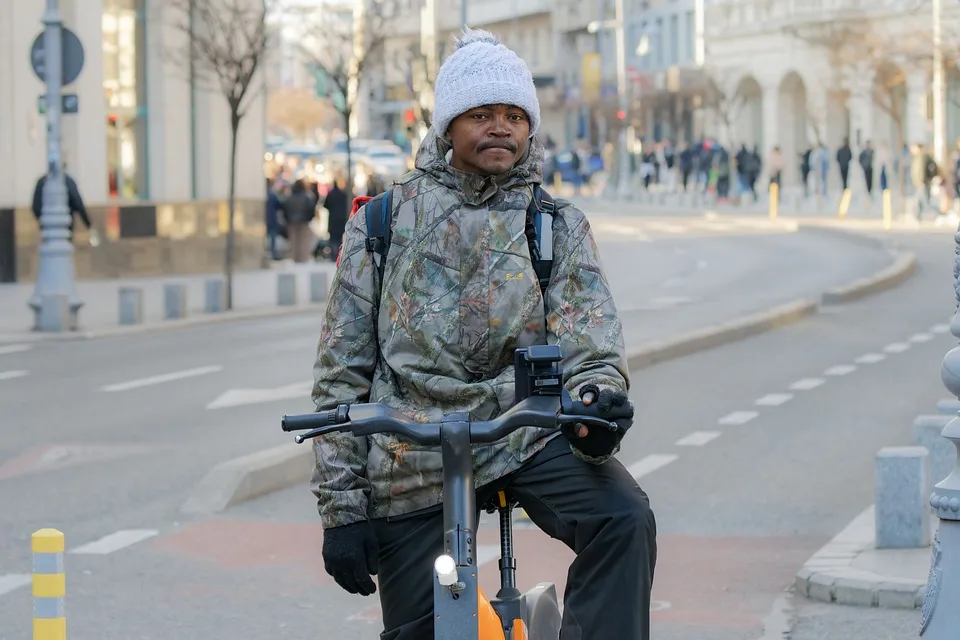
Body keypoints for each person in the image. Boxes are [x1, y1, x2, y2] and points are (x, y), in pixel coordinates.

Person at [309, 29, 657, 639]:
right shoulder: (380, 225)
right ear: (447, 125)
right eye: (481, 114)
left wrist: (597, 399)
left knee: (624, 518)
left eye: (515, 115)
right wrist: (342, 509)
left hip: (523, 433)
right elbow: (341, 375)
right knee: (422, 629)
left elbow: (592, 343)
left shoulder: (555, 226)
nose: (501, 127)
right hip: (411, 449)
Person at [31, 164, 98, 246]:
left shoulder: (42, 182)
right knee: (65, 247)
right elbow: (78, 203)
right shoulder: (67, 181)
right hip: (66, 225)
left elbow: (35, 206)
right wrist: (88, 224)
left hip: (47, 227)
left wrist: (42, 220)